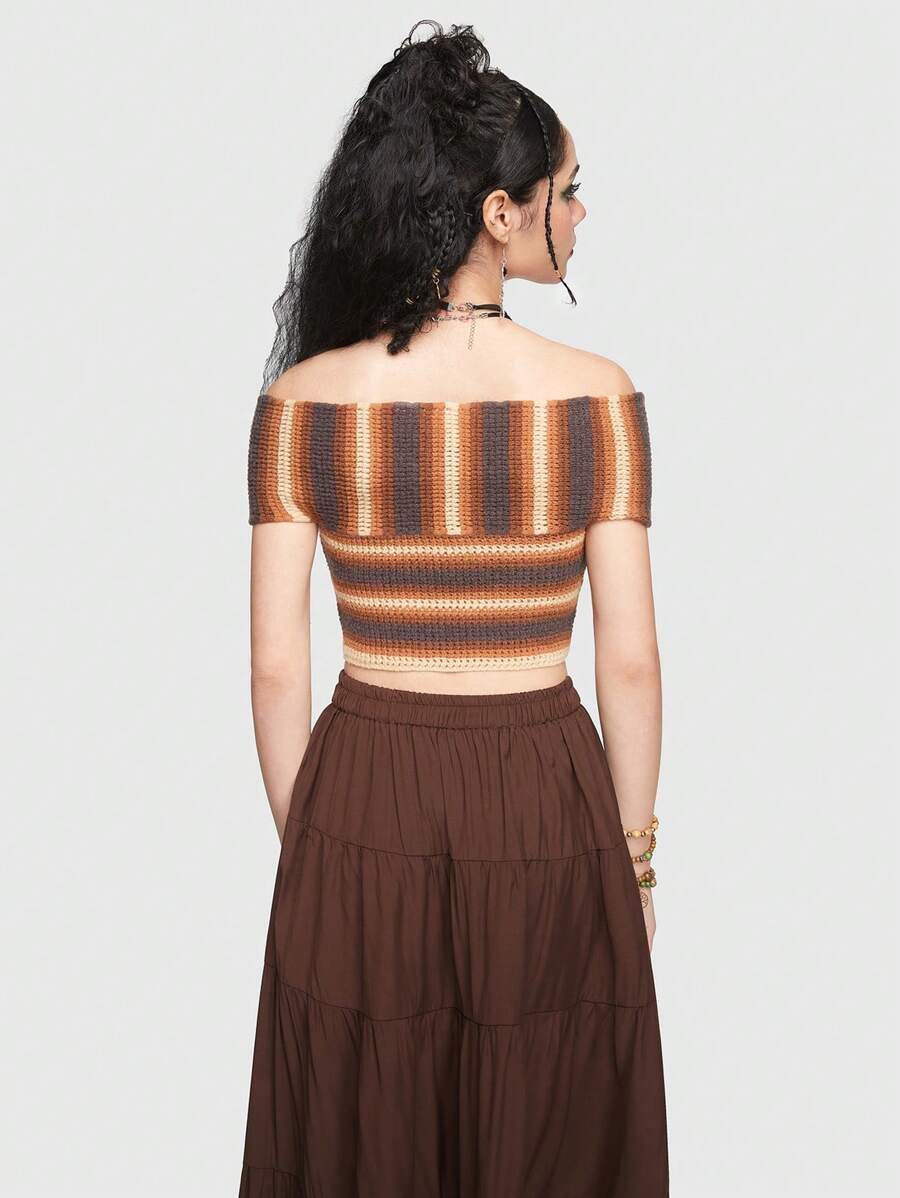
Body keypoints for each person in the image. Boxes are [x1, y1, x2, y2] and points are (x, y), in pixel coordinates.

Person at [238, 19, 668, 1197]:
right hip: (543, 788)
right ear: (500, 214)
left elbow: (275, 669)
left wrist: (323, 851)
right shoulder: (596, 399)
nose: (580, 212)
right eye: (566, 191)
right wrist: (631, 864)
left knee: (367, 1126)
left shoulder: (303, 403)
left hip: (364, 784)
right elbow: (631, 662)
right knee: (544, 1117)